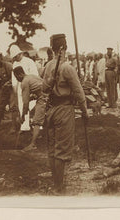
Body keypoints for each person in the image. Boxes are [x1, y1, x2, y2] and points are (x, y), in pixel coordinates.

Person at [41, 34, 89, 194]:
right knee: (61, 150)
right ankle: (59, 188)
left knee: (52, 149)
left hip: (52, 110)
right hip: (64, 110)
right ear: (63, 48)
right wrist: (85, 112)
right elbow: (79, 93)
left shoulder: (48, 65)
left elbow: (44, 88)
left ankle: (57, 184)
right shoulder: (67, 68)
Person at [13, 66, 46, 151]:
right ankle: (38, 134)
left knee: (37, 120)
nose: (16, 79)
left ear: (20, 74)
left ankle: (33, 144)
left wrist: (23, 116)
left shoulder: (24, 82)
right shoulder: (31, 76)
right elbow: (40, 86)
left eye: (16, 77)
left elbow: (25, 102)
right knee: (33, 113)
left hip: (44, 97)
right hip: (47, 95)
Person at [9, 44, 40, 131]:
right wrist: (14, 87)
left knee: (31, 105)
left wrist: (30, 85)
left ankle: (35, 124)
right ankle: (25, 126)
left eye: (16, 56)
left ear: (19, 54)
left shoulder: (29, 61)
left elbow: (34, 74)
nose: (15, 58)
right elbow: (14, 76)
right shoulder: (14, 63)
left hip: (30, 85)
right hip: (20, 86)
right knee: (21, 105)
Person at [0, 52, 15, 131]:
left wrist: (8, 83)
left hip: (12, 89)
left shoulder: (9, 66)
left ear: (1, 58)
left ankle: (14, 126)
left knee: (12, 107)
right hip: (3, 90)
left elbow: (14, 78)